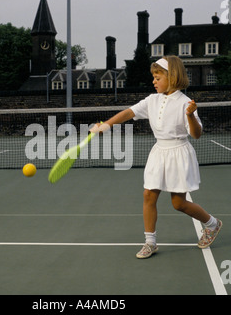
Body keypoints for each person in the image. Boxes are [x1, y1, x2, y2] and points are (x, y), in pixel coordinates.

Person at [90, 55, 222, 259]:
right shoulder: (152, 100)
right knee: (148, 195)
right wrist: (106, 125)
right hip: (158, 152)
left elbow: (196, 134)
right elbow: (128, 113)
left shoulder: (186, 103)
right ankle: (150, 242)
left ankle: (212, 224)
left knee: (179, 204)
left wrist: (189, 116)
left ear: (173, 76)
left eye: (157, 77)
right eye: (153, 77)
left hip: (179, 153)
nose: (154, 81)